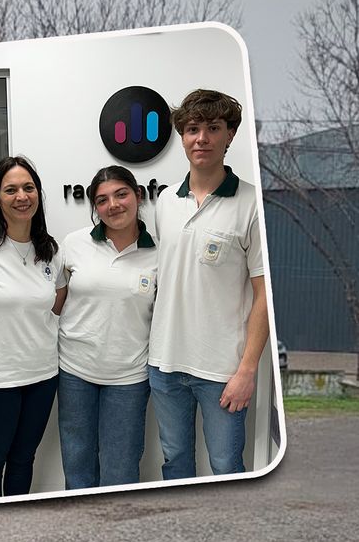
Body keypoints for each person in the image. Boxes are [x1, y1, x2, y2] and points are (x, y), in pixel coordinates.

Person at [148, 88, 267, 478]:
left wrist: (247, 370)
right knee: (175, 466)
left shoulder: (251, 204)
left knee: (226, 468)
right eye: (193, 129)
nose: (202, 138)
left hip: (223, 371)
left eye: (213, 128)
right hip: (165, 365)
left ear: (229, 135)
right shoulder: (165, 201)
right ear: (182, 136)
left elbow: (264, 294)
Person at [0, 156, 67, 498]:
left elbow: (58, 300)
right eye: (11, 189)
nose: (22, 196)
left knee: (24, 459)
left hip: (43, 374)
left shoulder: (50, 250)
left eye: (28, 188)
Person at [55, 166, 157, 488]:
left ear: (138, 196)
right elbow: (55, 303)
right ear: (95, 208)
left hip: (129, 377)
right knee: (77, 465)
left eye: (121, 194)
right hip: (74, 372)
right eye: (102, 200)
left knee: (121, 470)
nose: (113, 205)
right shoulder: (74, 243)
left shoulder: (159, 253)